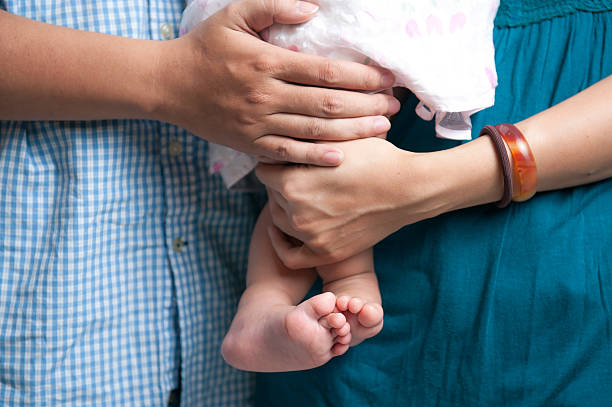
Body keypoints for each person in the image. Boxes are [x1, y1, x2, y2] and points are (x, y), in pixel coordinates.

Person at [0, 0, 399, 405]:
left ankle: (270, 303)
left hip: (220, 326)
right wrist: (170, 78)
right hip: (58, 322)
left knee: (311, 177)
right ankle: (296, 294)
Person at [255, 1, 612, 406]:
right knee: (306, 173)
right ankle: (261, 307)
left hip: (568, 295)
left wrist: (416, 187)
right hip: (355, 320)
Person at [181, 0, 500, 372]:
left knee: (297, 179)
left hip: (294, 37)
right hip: (321, 30)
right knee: (320, 161)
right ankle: (340, 281)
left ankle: (267, 302)